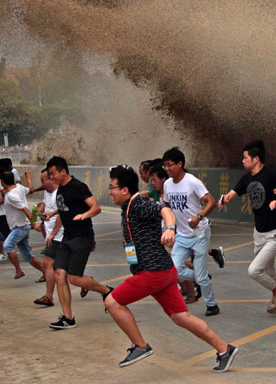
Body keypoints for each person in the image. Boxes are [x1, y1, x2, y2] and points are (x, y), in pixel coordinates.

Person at [104, 165, 238, 371]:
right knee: (181, 317)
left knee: (112, 302)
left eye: (112, 187)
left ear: (124, 190)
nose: (109, 192)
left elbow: (164, 210)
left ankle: (140, 346)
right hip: (165, 272)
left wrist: (170, 229)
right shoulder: (131, 205)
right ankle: (224, 349)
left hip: (152, 273)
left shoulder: (138, 204)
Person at [219, 140, 276, 313]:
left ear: (256, 159)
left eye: (245, 157)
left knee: (254, 270)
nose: (243, 160)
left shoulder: (270, 174)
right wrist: (224, 199)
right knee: (269, 271)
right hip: (259, 233)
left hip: (275, 233)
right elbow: (232, 193)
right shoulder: (246, 179)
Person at [45, 155, 113, 330]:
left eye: (53, 173)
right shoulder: (61, 189)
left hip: (82, 237)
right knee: (59, 274)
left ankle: (106, 291)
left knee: (74, 278)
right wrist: (52, 214)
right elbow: (66, 208)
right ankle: (68, 318)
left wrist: (85, 215)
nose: (51, 177)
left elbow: (96, 207)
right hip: (67, 237)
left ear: (63, 171)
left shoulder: (78, 187)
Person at [161, 147, 220, 316]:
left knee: (200, 277)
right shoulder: (167, 184)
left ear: (180, 164)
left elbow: (211, 201)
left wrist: (199, 217)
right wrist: (170, 225)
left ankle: (212, 305)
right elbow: (167, 205)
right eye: (165, 166)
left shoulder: (192, 181)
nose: (167, 169)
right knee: (174, 270)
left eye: (169, 165)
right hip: (181, 235)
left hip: (199, 233)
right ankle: (201, 277)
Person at [0, 171, 44, 280]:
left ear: (3, 182)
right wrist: (28, 178)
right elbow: (30, 190)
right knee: (27, 255)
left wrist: (34, 223)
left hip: (20, 227)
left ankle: (18, 270)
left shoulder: (11, 195)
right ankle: (47, 273)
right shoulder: (19, 187)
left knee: (7, 245)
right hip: (21, 226)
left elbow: (25, 209)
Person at [35, 169, 62, 307]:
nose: (42, 183)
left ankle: (48, 296)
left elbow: (61, 215)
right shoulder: (47, 192)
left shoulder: (59, 194)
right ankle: (86, 282)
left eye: (43, 180)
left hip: (60, 234)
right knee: (64, 268)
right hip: (51, 234)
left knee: (47, 262)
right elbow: (45, 206)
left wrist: (52, 234)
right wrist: (39, 215)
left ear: (51, 179)